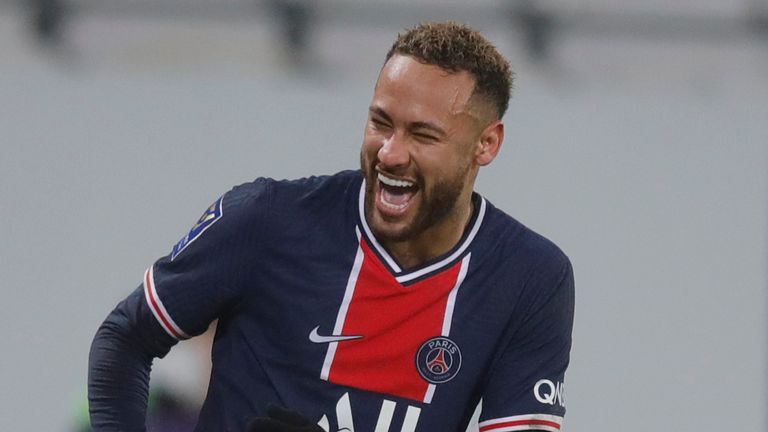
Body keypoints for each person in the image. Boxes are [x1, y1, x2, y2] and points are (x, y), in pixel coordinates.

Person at [88, 21, 575, 432]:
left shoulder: (530, 276)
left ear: (486, 145)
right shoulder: (267, 217)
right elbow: (125, 340)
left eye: (423, 134)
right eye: (380, 122)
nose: (390, 152)